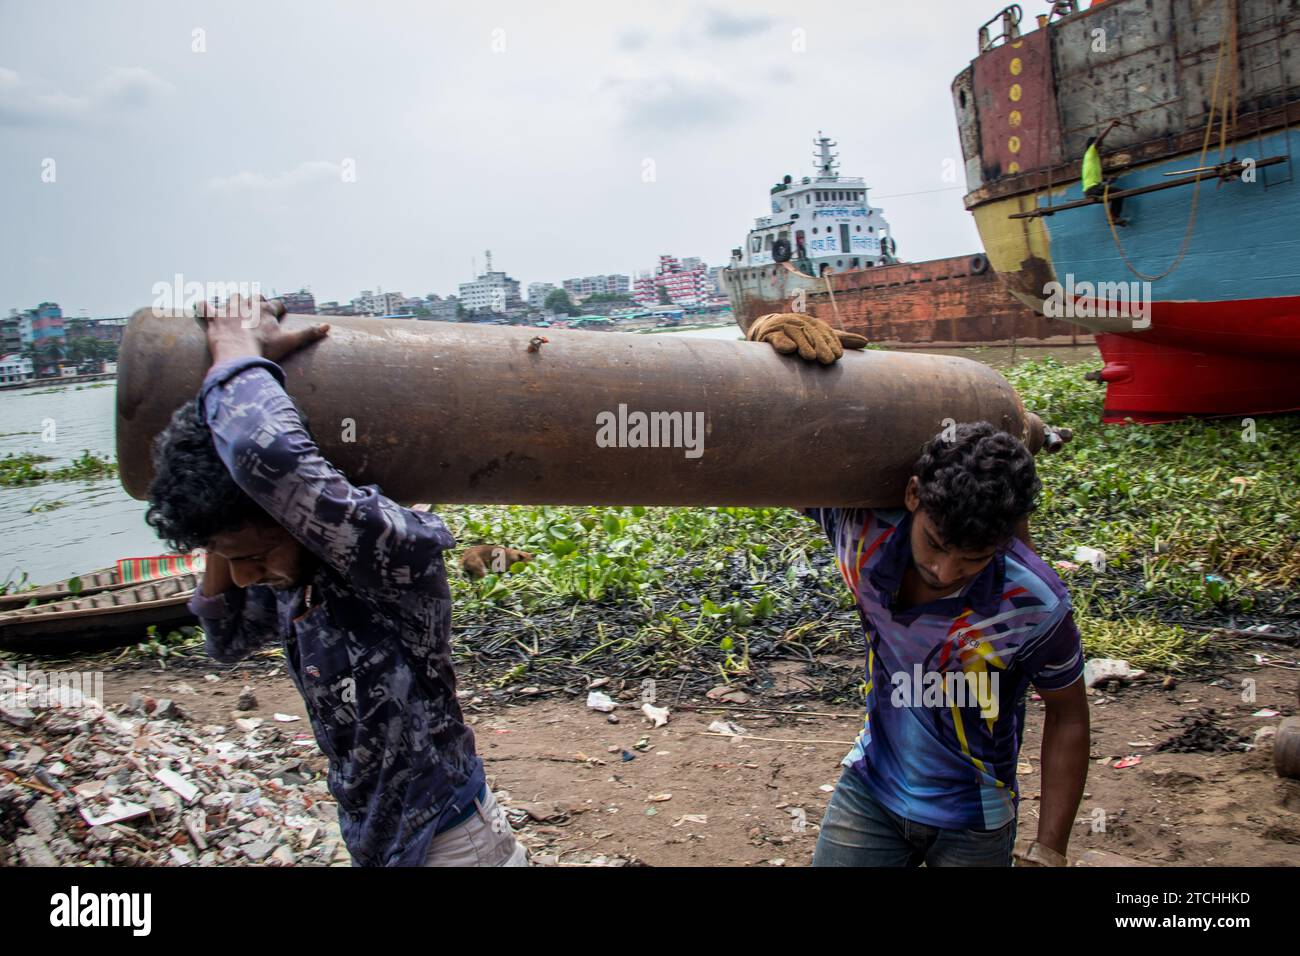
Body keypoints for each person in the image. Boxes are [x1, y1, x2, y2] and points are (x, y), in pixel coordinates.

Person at [144, 295, 527, 867]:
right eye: (229, 558)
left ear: (294, 515)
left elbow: (262, 451)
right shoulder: (293, 577)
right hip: (378, 843)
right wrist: (220, 534)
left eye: (254, 553)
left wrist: (233, 347)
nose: (248, 575)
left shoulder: (387, 557)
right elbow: (224, 641)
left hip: (448, 841)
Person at [749, 313, 1089, 867]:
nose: (947, 571)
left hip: (976, 820)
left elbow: (1069, 713)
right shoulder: (861, 532)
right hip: (872, 792)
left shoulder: (1034, 604)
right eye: (935, 543)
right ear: (912, 495)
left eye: (974, 558)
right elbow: (773, 450)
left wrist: (1050, 849)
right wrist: (767, 350)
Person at [1082, 119, 1127, 224]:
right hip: (1093, 189)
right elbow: (1099, 139)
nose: (1101, 147)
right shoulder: (1091, 152)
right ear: (1094, 145)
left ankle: (1114, 217)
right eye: (1100, 145)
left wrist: (1109, 178)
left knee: (1116, 194)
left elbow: (1099, 176)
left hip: (1091, 190)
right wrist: (1111, 126)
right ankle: (1114, 217)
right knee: (1120, 193)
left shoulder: (1092, 159)